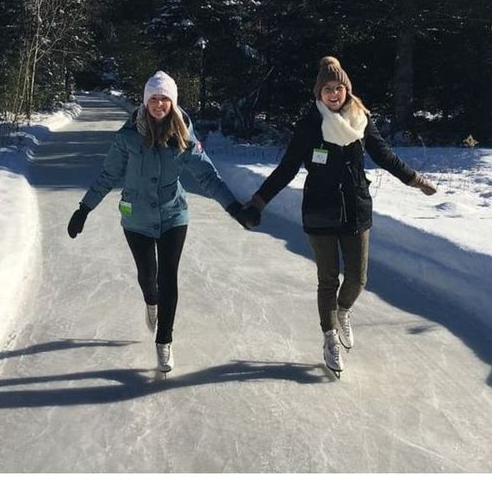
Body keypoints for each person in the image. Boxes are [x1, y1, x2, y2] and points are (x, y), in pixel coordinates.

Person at [238, 56, 437, 378]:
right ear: (319, 93)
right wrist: (258, 202)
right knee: (328, 279)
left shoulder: (361, 120)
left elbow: (384, 156)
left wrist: (414, 179)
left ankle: (342, 311)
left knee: (358, 279)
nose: (334, 93)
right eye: (328, 88)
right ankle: (329, 336)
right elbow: (287, 168)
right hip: (319, 211)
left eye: (339, 87)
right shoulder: (310, 125)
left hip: (356, 208)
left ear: (347, 89)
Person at [67, 70, 253, 373]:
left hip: (173, 215)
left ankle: (164, 341)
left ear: (173, 101)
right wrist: (83, 209)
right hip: (136, 217)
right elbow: (109, 175)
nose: (159, 103)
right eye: (153, 98)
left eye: (164, 98)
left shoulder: (184, 137)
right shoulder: (128, 137)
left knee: (169, 277)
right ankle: (150, 302)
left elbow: (208, 176)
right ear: (145, 101)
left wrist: (235, 208)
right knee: (148, 279)